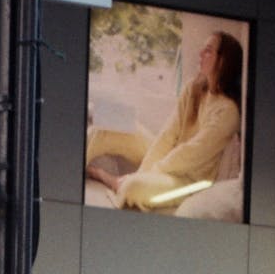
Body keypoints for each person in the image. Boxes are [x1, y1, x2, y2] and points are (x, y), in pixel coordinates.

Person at [86, 31, 242, 212]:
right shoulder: (193, 87)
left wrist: (147, 174)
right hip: (170, 161)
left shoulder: (228, 112)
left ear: (223, 61)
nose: (200, 54)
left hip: (189, 180)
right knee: (109, 121)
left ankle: (113, 181)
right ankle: (71, 169)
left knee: (133, 187)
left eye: (208, 51)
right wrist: (147, 170)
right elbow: (169, 134)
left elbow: (191, 154)